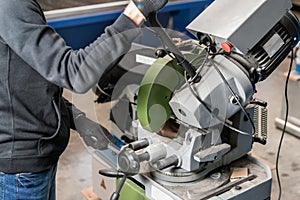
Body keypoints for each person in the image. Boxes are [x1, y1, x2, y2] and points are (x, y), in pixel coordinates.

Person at [0, 0, 167, 199]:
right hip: (20, 170)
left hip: (31, 159)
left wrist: (78, 120)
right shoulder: (10, 6)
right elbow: (76, 73)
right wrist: (136, 12)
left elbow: (20, 84)